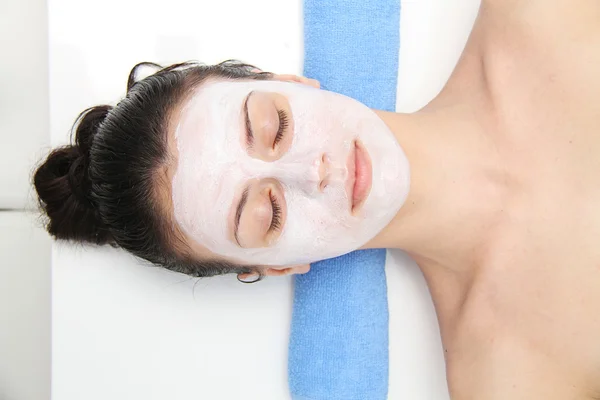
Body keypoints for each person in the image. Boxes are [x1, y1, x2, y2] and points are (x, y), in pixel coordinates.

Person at [34, 1, 600, 398]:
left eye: (274, 126)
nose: (316, 170)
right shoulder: (511, 379)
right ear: (278, 266)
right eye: (268, 213)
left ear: (291, 82)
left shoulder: (541, 14)